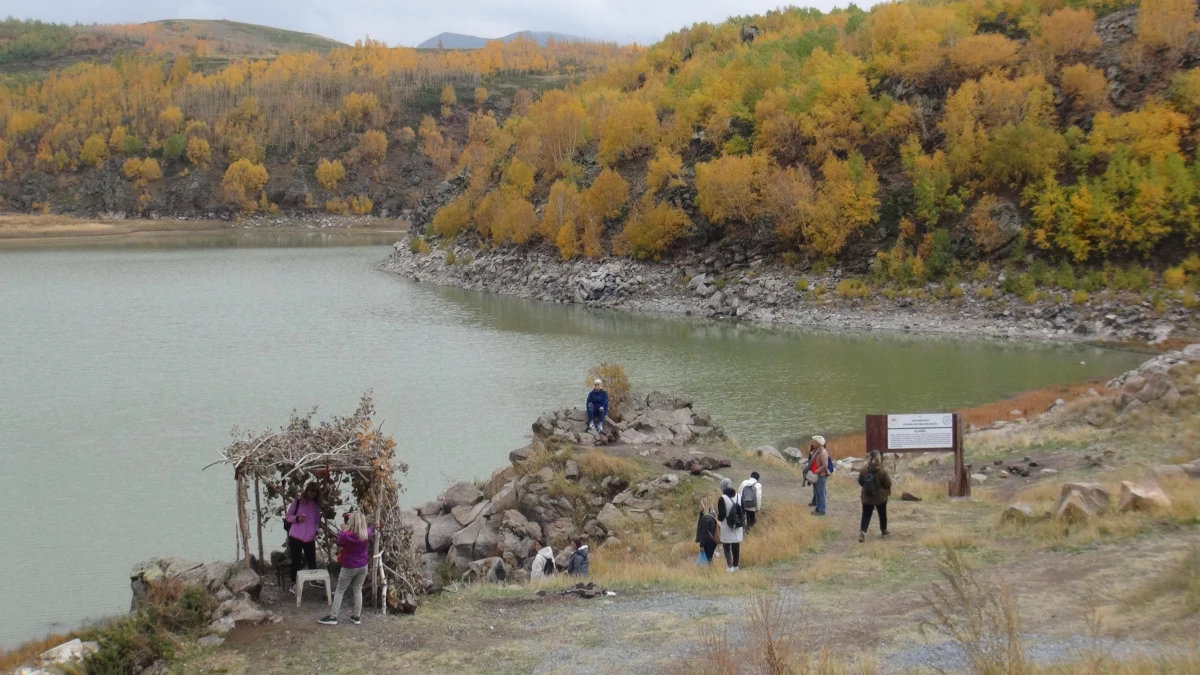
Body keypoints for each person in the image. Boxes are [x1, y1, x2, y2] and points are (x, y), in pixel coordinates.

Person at [319, 512, 373, 626]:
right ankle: (356, 616)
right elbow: (370, 529)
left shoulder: (346, 534)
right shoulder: (366, 533)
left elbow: (339, 544)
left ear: (351, 522)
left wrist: (344, 529)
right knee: (357, 590)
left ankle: (333, 617)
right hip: (363, 565)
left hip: (349, 566)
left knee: (339, 590)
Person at [284, 483, 322, 590]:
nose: (313, 493)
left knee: (312, 559)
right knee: (296, 560)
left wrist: (315, 531)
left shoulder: (315, 505)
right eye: (311, 490)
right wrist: (297, 519)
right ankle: (293, 583)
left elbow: (317, 521)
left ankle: (313, 580)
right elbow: (288, 517)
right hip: (296, 535)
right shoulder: (298, 502)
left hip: (309, 537)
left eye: (315, 491)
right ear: (307, 490)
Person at [858, 449, 893, 542]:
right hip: (880, 497)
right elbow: (888, 483)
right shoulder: (882, 471)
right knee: (882, 513)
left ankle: (863, 531)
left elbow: (860, 482)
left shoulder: (864, 470)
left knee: (866, 514)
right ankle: (884, 530)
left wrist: (867, 488)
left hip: (867, 496)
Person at [716, 477, 744, 572]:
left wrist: (718, 519)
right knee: (736, 545)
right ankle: (736, 565)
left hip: (727, 525)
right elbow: (743, 510)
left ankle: (730, 566)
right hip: (738, 524)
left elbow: (722, 514)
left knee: (727, 546)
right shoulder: (739, 496)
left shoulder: (722, 498)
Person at [809, 435, 830, 516]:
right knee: (816, 492)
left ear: (818, 443)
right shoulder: (815, 451)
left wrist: (816, 471)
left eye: (814, 442)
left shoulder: (823, 452)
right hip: (815, 475)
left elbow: (825, 465)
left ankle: (822, 510)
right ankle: (817, 508)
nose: (812, 443)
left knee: (821, 493)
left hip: (821, 475)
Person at [694, 499, 719, 565]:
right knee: (709, 559)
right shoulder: (712, 515)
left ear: (704, 505)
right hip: (712, 540)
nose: (699, 506)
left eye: (700, 504)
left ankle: (709, 573)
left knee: (707, 560)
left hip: (708, 541)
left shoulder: (706, 518)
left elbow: (704, 533)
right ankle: (711, 573)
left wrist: (701, 545)